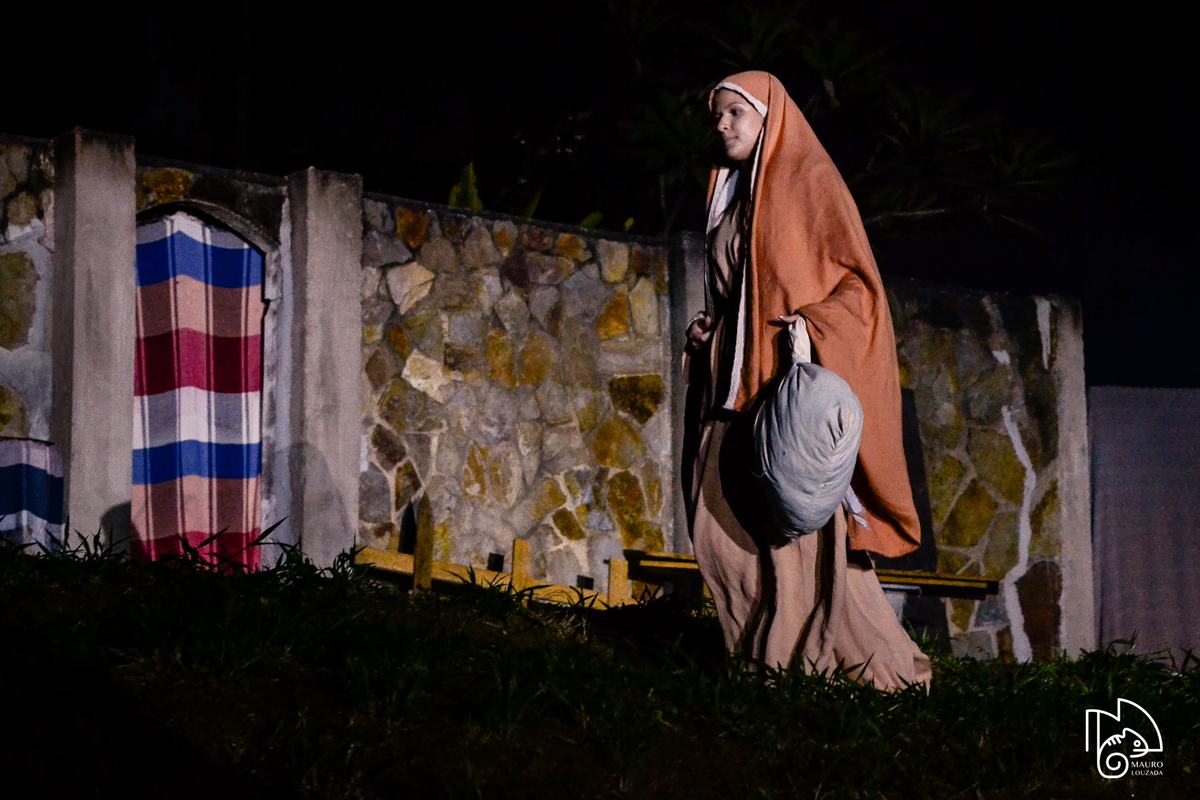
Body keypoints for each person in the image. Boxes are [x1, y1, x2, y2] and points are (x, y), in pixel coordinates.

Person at [682, 71, 932, 690]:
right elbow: (736, 290)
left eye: (734, 113)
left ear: (770, 116)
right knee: (718, 520)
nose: (721, 125)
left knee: (799, 542)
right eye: (716, 114)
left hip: (781, 393)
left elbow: (861, 289)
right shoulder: (728, 195)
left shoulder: (809, 183)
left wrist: (813, 325)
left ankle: (826, 670)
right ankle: (755, 656)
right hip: (730, 386)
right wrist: (708, 329)